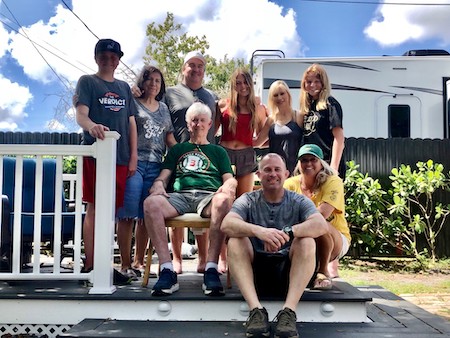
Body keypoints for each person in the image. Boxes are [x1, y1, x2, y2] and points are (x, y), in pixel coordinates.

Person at [221, 153, 328, 338]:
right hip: (254, 274)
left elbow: (321, 225)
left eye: (277, 169)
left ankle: (288, 313)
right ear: (259, 175)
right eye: (267, 170)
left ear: (286, 174)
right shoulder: (247, 200)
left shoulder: (299, 200)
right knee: (236, 239)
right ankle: (255, 311)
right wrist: (259, 231)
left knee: (307, 240)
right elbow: (226, 224)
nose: (273, 174)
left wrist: (288, 232)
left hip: (290, 274)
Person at [133, 51, 220, 274]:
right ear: (184, 68)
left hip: (204, 160)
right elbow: (149, 106)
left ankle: (203, 259)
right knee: (174, 204)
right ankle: (177, 259)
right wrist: (134, 92)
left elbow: (217, 121)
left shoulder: (210, 95)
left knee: (206, 202)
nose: (196, 69)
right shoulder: (170, 93)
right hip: (176, 155)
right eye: (192, 65)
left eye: (200, 66)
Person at [143, 102, 237, 296]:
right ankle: (167, 269)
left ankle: (211, 268)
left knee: (223, 201)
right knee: (150, 203)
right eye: (194, 120)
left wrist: (228, 188)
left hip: (208, 197)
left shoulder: (218, 152)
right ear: (188, 124)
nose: (198, 124)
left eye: (202, 120)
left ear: (210, 124)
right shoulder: (178, 150)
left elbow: (230, 179)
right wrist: (159, 183)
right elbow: (163, 176)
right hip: (180, 196)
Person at [75, 39, 138, 283]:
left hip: (120, 157)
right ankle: (91, 264)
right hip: (95, 153)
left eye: (113, 56)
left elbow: (131, 123)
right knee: (94, 206)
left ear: (118, 60)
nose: (108, 59)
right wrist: (92, 127)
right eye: (104, 55)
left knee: (110, 210)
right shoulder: (88, 82)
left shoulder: (124, 88)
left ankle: (104, 264)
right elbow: (81, 114)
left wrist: (133, 156)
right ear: (96, 57)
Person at [116, 65, 177, 280]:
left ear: (161, 85)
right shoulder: (132, 103)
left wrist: (182, 153)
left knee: (145, 217)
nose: (153, 83)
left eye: (157, 80)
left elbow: (169, 139)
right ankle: (124, 264)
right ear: (142, 81)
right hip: (135, 164)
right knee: (127, 215)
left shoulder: (163, 108)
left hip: (156, 166)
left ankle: (139, 262)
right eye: (149, 79)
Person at [300, 63, 345, 277]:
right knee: (312, 207)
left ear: (323, 82)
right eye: (308, 81)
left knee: (330, 213)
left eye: (316, 80)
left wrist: (333, 166)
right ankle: (318, 261)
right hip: (310, 165)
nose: (312, 84)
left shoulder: (330, 104)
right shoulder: (308, 108)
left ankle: (332, 264)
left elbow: (339, 137)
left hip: (327, 165)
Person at [284, 144, 351, 290]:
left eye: (313, 160)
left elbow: (322, 215)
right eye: (304, 160)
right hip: (300, 236)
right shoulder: (289, 184)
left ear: (321, 162)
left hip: (335, 238)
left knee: (319, 224)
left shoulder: (333, 181)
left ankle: (323, 271)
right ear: (298, 164)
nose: (308, 164)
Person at [218, 68, 271, 196]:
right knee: (224, 196)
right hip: (225, 154)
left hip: (246, 156)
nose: (243, 86)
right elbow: (211, 132)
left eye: (246, 82)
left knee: (244, 199)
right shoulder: (223, 105)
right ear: (233, 85)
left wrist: (252, 142)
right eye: (238, 83)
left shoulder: (258, 108)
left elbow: (261, 138)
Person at [267, 80, 303, 176]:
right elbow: (258, 142)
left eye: (282, 93)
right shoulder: (271, 120)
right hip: (276, 172)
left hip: (296, 170)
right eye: (275, 95)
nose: (279, 97)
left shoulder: (298, 116)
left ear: (288, 94)